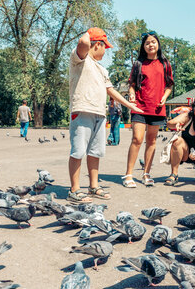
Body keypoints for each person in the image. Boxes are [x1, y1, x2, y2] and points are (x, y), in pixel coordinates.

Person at [68, 27, 143, 203]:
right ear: (97, 45)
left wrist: (129, 105)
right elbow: (83, 43)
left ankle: (93, 186)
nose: (105, 51)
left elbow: (110, 90)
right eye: (104, 46)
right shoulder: (79, 59)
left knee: (96, 152)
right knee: (78, 151)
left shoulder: (102, 69)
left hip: (100, 114)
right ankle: (74, 189)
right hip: (82, 110)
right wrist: (92, 32)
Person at [122, 31, 174, 188]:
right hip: (139, 106)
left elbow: (169, 85)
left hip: (157, 108)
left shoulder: (165, 64)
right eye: (147, 43)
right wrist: (131, 95)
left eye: (153, 42)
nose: (150, 45)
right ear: (143, 47)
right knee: (137, 139)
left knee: (151, 141)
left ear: (158, 44)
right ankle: (129, 175)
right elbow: (131, 84)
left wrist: (165, 97)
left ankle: (146, 173)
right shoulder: (138, 64)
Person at [164, 96, 195, 186]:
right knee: (177, 141)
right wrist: (177, 124)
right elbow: (169, 124)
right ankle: (174, 174)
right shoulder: (188, 116)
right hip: (185, 154)